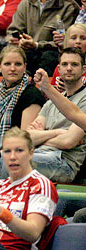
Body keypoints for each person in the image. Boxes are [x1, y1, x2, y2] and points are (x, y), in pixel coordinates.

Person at [25, 48, 86, 183]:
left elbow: (68, 142)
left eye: (74, 64)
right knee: (2, 155)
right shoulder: (52, 102)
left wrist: (41, 137)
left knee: (15, 159)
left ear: (83, 69)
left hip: (63, 161)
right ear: (58, 69)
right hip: (40, 153)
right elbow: (27, 137)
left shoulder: (84, 99)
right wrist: (58, 132)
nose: (69, 68)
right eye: (64, 64)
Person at [7, 0, 79, 71]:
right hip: (25, 54)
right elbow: (13, 31)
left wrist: (36, 45)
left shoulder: (69, 7)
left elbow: (67, 42)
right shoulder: (26, 4)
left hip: (52, 57)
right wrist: (17, 39)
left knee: (48, 57)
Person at [0, 45, 45, 146]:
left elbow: (25, 140)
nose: (12, 68)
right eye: (7, 64)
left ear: (24, 67)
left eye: (18, 64)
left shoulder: (32, 95)